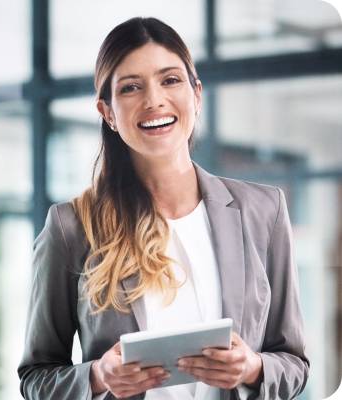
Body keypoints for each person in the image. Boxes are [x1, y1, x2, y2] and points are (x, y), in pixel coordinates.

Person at [18, 17, 309, 400]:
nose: (153, 100)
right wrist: (97, 377)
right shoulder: (71, 227)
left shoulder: (263, 210)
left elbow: (295, 365)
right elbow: (36, 377)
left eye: (170, 80)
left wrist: (253, 368)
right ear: (107, 112)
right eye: (131, 87)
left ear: (197, 94)